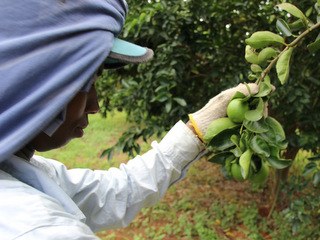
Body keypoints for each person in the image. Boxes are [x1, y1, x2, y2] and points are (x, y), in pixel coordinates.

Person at [0, 0, 258, 239]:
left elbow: (110, 194)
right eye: (86, 82)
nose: (95, 105)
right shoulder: (40, 230)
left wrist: (195, 132)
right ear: (33, 83)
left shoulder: (17, 169)